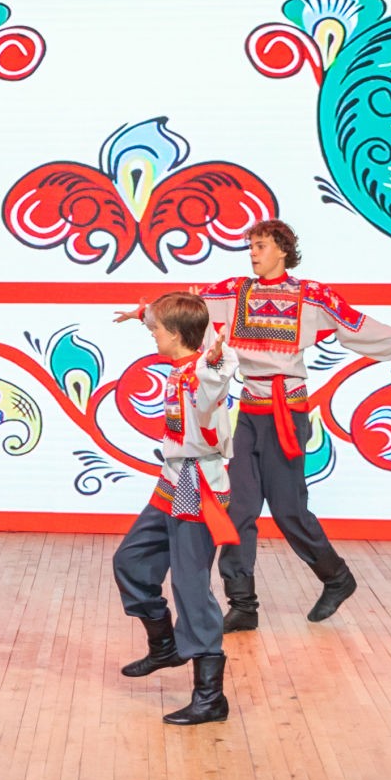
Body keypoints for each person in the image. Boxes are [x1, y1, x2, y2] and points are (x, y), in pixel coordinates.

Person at [114, 218, 391, 628]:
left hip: (288, 412)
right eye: (250, 246)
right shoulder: (235, 291)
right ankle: (243, 604)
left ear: (283, 250)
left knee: (289, 511)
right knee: (238, 510)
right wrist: (145, 313)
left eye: (261, 245)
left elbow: (357, 327)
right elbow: (186, 312)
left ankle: (336, 577)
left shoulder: (310, 296)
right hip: (250, 413)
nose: (253, 253)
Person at [113, 292, 240, 725]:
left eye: (157, 330)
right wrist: (142, 312)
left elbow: (215, 375)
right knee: (131, 561)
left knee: (190, 586)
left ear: (178, 335)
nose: (152, 334)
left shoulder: (202, 373)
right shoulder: (183, 363)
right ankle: (164, 646)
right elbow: (186, 333)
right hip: (172, 480)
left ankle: (210, 697)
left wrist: (215, 360)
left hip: (197, 485)